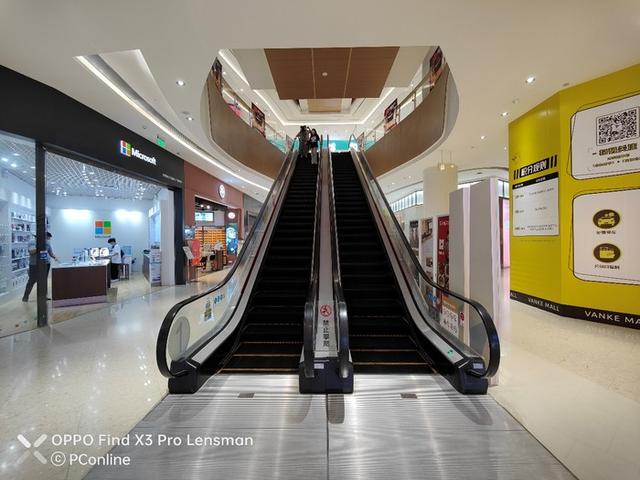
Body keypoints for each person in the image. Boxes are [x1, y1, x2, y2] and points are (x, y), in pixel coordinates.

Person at [22, 232, 58, 302]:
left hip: (45, 264)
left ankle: (43, 296)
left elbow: (50, 252)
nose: (48, 239)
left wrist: (55, 257)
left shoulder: (47, 243)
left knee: (43, 281)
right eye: (47, 238)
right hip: (34, 264)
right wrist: (40, 246)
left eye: (48, 238)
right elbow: (31, 252)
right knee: (32, 280)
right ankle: (25, 297)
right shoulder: (32, 242)